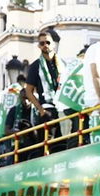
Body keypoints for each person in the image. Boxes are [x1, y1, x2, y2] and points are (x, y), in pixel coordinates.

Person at [23, 28, 65, 158]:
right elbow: (28, 92)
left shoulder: (62, 64)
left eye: (47, 42)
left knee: (64, 142)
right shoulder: (35, 66)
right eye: (42, 43)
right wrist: (41, 110)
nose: (45, 45)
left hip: (63, 107)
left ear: (53, 44)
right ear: (38, 46)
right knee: (49, 146)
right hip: (47, 109)